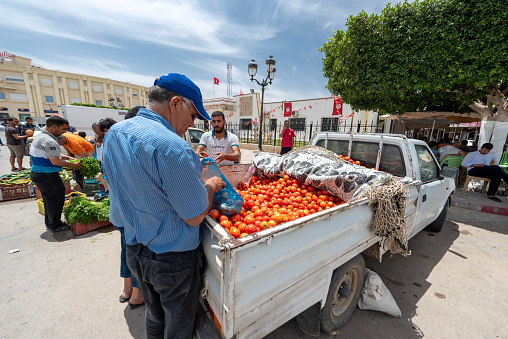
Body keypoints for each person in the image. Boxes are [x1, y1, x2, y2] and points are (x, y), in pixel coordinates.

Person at [102, 73, 224, 338]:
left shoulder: (114, 134)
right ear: (176, 103)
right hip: (172, 262)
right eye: (193, 115)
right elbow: (193, 216)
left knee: (155, 316)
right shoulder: (173, 148)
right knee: (179, 326)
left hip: (134, 250)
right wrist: (211, 186)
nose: (192, 123)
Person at [30, 116, 83, 232]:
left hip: (39, 173)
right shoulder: (50, 141)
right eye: (63, 129)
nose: (65, 132)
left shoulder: (40, 136)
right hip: (47, 176)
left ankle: (50, 223)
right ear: (54, 127)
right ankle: (56, 225)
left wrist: (68, 157)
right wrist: (75, 165)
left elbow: (49, 155)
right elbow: (55, 161)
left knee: (49, 200)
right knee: (55, 200)